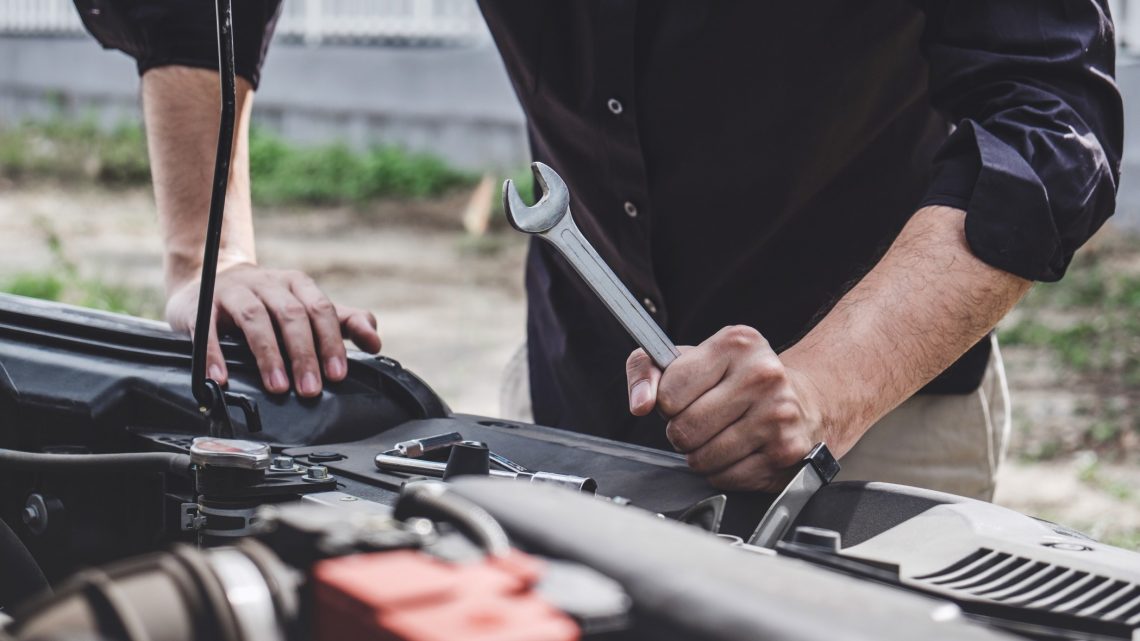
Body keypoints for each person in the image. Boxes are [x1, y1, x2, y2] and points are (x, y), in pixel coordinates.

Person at [74, 1, 1122, 500]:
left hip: (875, 411)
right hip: (570, 396)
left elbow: (1048, 118)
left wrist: (826, 385)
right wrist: (205, 258)